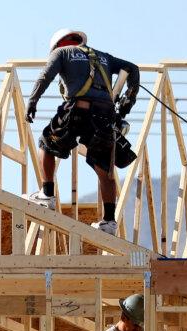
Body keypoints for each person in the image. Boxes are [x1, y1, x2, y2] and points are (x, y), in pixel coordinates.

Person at [25, 29, 140, 235]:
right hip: (104, 116)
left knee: (46, 142)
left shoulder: (61, 54)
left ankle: (47, 195)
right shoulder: (102, 56)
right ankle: (109, 222)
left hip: (78, 110)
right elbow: (132, 68)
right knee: (103, 166)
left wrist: (32, 101)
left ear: (58, 45)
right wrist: (127, 102)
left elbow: (45, 76)